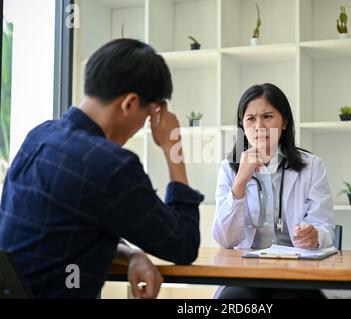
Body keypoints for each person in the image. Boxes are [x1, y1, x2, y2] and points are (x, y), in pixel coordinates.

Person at [0, 39, 204, 299]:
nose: (144, 125)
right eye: (147, 116)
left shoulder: (39, 136)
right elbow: (184, 245)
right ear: (129, 104)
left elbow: (68, 231)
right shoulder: (111, 166)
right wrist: (172, 148)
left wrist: (132, 253)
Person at [213, 83, 351, 299]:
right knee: (233, 300)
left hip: (301, 272)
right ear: (242, 125)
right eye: (250, 119)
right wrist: (240, 181)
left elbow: (324, 226)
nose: (259, 126)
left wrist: (314, 236)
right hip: (248, 272)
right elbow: (225, 239)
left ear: (284, 122)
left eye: (267, 116)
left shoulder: (312, 166)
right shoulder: (229, 168)